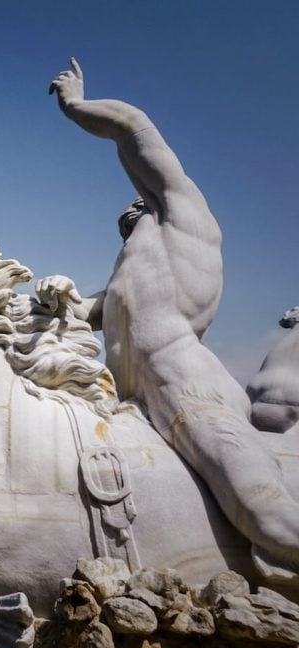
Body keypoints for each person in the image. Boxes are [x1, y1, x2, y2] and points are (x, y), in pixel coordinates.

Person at [48, 58, 299, 570]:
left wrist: (77, 106)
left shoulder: (183, 214)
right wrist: (59, 297)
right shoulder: (132, 271)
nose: (126, 226)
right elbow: (87, 310)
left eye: (133, 214)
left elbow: (132, 127)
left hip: (187, 391)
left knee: (266, 519)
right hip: (129, 402)